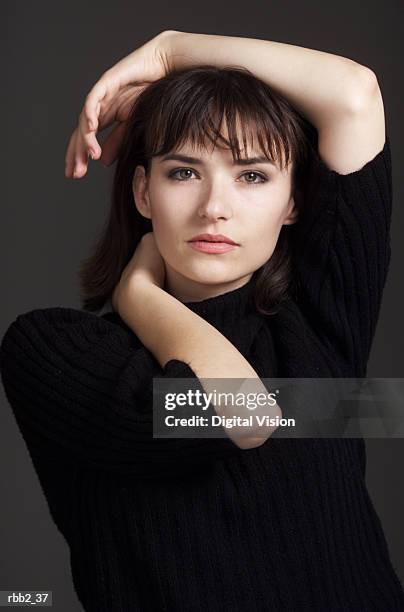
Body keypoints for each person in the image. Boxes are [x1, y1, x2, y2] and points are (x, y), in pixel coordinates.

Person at [1, 29, 403, 611]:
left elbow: (355, 94)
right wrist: (142, 298)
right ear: (143, 191)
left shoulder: (319, 324)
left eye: (253, 176)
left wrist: (169, 51)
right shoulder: (55, 352)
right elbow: (244, 414)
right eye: (184, 172)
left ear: (294, 203)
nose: (215, 206)